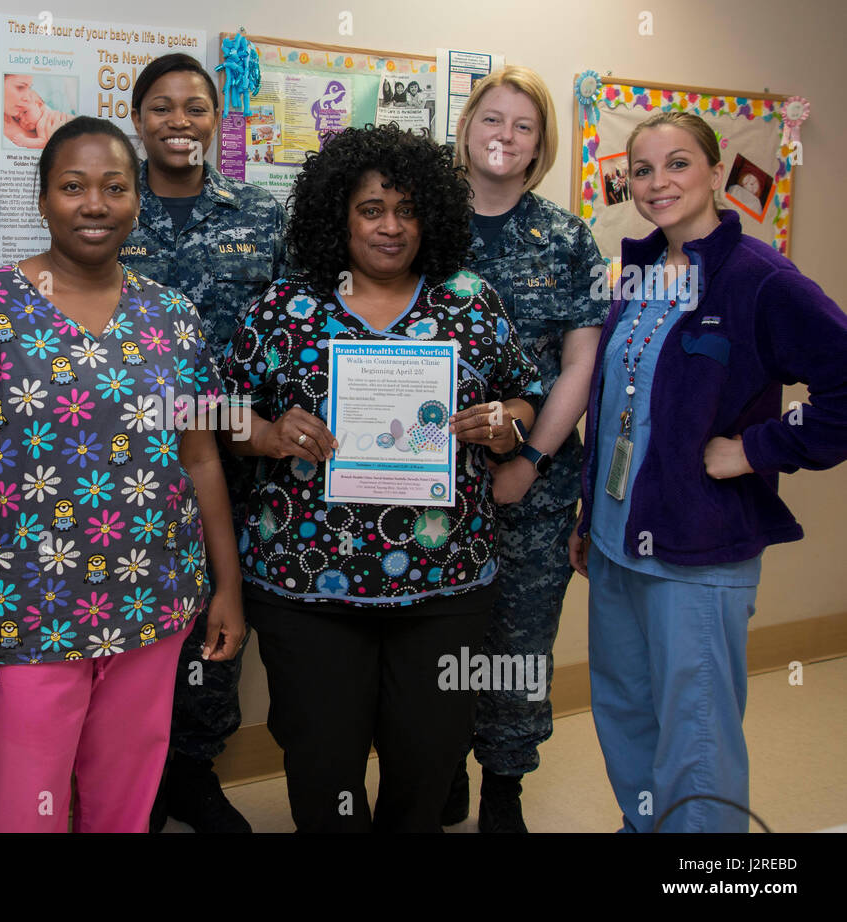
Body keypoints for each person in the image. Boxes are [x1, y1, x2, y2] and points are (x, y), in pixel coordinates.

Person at [0, 116, 246, 833]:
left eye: (114, 187)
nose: (94, 204)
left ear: (136, 201)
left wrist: (228, 588)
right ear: (42, 200)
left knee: (122, 804)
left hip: (154, 598)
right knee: (26, 806)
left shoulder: (174, 317)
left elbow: (202, 456)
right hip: (23, 607)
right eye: (72, 186)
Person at [221, 123, 542, 832]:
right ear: (339, 214)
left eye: (406, 209)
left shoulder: (470, 300)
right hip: (307, 583)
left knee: (427, 761)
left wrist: (505, 422)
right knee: (322, 762)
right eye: (371, 209)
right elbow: (221, 415)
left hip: (443, 583)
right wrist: (271, 435)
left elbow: (526, 395)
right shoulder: (285, 307)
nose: (391, 227)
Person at [569, 111, 847, 832]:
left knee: (694, 736)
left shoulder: (759, 279)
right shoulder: (636, 272)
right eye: (642, 169)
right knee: (626, 713)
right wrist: (584, 513)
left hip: (697, 548)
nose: (658, 183)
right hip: (614, 539)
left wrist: (756, 449)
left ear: (718, 173)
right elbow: (616, 403)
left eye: (679, 164)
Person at [120, 52, 287, 833]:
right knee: (136, 622)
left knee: (221, 619)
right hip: (129, 467)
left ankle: (193, 772)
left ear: (218, 120)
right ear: (136, 118)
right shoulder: (111, 209)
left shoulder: (261, 216)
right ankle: (136, 779)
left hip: (246, 465)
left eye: (194, 106)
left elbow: (293, 331)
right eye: (160, 106)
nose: (178, 120)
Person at [444, 65, 606, 832]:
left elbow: (580, 362)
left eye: (522, 126)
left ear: (539, 145)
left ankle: (501, 784)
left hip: (531, 481)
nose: (503, 136)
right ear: (466, 125)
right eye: (491, 119)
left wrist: (529, 462)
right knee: (432, 631)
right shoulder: (417, 221)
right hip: (425, 478)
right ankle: (436, 763)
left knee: (518, 638)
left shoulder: (567, 238)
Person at [3, 74, 72, 150]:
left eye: (25, 112)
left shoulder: (42, 121)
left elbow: (43, 142)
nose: (22, 120)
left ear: (39, 105)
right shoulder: (35, 109)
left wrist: (24, 141)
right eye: (19, 119)